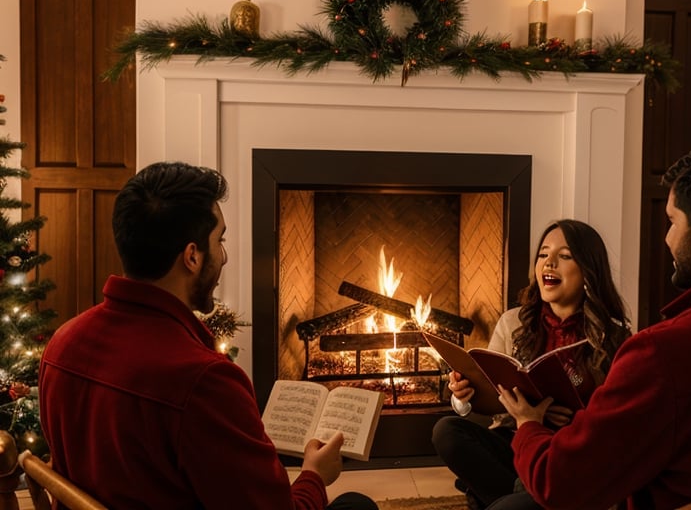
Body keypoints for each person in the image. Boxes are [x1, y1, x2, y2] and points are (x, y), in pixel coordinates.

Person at [38, 162, 378, 510]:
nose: (224, 256)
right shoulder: (203, 381)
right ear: (192, 256)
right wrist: (314, 476)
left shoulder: (62, 344)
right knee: (355, 504)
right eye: (221, 240)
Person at [495, 140, 691, 510]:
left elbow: (558, 484)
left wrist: (528, 426)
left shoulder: (660, 353)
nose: (667, 238)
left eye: (672, 222)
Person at [432, 219, 632, 509]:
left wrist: (553, 418)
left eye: (564, 256)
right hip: (514, 440)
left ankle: (511, 500)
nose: (549, 263)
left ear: (588, 270)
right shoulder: (512, 322)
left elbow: (621, 422)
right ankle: (516, 499)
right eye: (543, 255)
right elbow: (491, 389)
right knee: (447, 432)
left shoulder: (614, 337)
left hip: (570, 455)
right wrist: (463, 394)